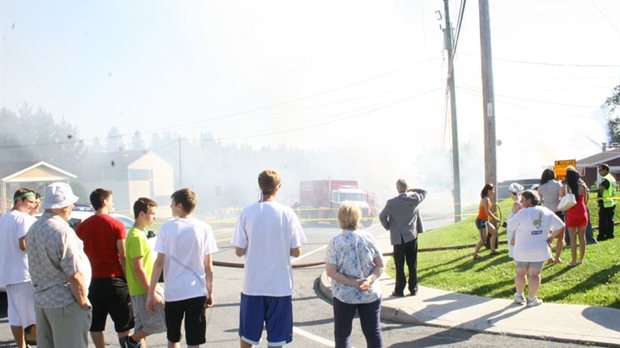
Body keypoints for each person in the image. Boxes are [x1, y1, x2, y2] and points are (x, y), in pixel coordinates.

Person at [231, 169, 307, 348]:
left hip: (253, 286)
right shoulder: (287, 213)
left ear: (260, 187)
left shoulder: (247, 212)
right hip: (279, 287)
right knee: (276, 341)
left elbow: (239, 251)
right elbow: (297, 251)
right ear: (278, 188)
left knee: (247, 339)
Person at [146, 188, 218, 348]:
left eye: (172, 204)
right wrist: (209, 291)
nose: (170, 207)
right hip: (196, 292)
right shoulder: (204, 228)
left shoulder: (167, 228)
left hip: (173, 293)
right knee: (194, 340)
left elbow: (159, 263)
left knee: (173, 338)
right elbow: (209, 266)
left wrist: (150, 293)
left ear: (179, 205)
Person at [26, 182, 92, 347]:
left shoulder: (34, 228)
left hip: (42, 300)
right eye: (71, 204)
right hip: (64, 302)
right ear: (65, 207)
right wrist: (83, 302)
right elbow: (74, 274)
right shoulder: (61, 231)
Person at [76, 188, 135, 348]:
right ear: (104, 202)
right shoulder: (116, 224)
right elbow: (122, 256)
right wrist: (128, 280)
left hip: (91, 281)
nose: (112, 204)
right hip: (114, 279)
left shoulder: (82, 226)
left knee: (96, 324)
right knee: (124, 325)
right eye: (110, 201)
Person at [325, 202, 384, 348]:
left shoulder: (335, 242)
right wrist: (368, 281)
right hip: (370, 293)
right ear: (358, 217)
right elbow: (380, 265)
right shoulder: (368, 238)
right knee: (373, 332)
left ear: (340, 218)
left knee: (342, 334)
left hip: (344, 295)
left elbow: (331, 271)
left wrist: (353, 283)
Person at [508, 190, 564, 307]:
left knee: (520, 272)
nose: (520, 202)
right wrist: (550, 237)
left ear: (529, 201)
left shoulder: (522, 213)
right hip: (539, 248)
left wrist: (514, 212)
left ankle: (519, 296)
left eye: (522, 200)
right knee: (535, 274)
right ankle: (532, 298)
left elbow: (511, 225)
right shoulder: (546, 211)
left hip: (522, 248)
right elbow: (560, 225)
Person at [125, 197, 166, 348]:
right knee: (159, 324)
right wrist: (151, 292)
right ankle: (131, 341)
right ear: (141, 214)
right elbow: (138, 268)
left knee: (142, 326)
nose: (154, 217)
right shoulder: (136, 236)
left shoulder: (139, 233)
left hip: (141, 288)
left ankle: (133, 342)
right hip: (143, 288)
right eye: (152, 213)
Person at [0, 188, 37, 348]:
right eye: (29, 202)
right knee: (31, 316)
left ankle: (21, 346)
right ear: (18, 200)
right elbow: (23, 244)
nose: (32, 205)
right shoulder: (23, 219)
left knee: (15, 316)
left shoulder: (3, 219)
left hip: (7, 274)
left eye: (34, 202)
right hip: (24, 273)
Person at [379, 178, 426, 296]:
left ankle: (399, 289)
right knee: (412, 263)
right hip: (412, 235)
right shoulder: (414, 198)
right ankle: (413, 288)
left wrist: (389, 226)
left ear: (397, 188)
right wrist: (411, 189)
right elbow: (424, 191)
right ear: (407, 188)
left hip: (398, 238)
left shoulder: (392, 202)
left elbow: (382, 216)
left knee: (399, 265)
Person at [561, 167, 589, 266]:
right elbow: (585, 200)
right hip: (582, 212)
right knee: (582, 236)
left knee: (573, 238)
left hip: (571, 214)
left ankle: (573, 260)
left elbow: (562, 199)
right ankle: (581, 259)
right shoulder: (582, 186)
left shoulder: (565, 187)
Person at [537, 168, 564, 263]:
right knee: (560, 236)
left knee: (547, 235)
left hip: (546, 211)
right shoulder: (557, 184)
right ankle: (557, 258)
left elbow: (540, 200)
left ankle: (550, 257)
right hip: (557, 210)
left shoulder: (541, 187)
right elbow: (561, 196)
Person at [472, 184, 500, 259]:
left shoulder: (487, 198)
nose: (493, 191)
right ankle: (475, 255)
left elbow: (487, 212)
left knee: (494, 232)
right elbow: (487, 211)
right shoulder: (485, 199)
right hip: (481, 221)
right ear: (488, 190)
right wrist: (495, 218)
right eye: (492, 190)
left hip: (485, 220)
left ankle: (492, 251)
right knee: (483, 239)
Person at [597, 163, 616, 241]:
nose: (599, 172)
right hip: (612, 202)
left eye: (600, 170)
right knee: (610, 220)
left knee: (603, 220)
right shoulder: (612, 178)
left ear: (605, 170)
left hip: (605, 202)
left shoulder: (605, 179)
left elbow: (602, 188)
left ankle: (602, 236)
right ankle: (610, 234)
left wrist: (599, 196)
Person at [506, 183, 524, 259]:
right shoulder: (520, 201)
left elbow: (517, 220)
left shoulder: (517, 203)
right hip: (513, 228)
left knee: (515, 253)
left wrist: (514, 236)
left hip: (513, 230)